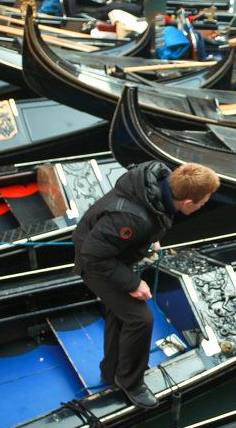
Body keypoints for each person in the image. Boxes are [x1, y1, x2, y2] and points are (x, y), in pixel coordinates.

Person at [72, 161, 220, 408]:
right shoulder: (132, 218)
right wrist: (132, 284)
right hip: (96, 261)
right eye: (203, 202)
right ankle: (130, 383)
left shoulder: (157, 186)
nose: (205, 204)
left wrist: (145, 242)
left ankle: (112, 370)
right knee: (140, 318)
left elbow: (149, 220)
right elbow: (93, 256)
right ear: (187, 203)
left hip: (111, 250)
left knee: (119, 312)